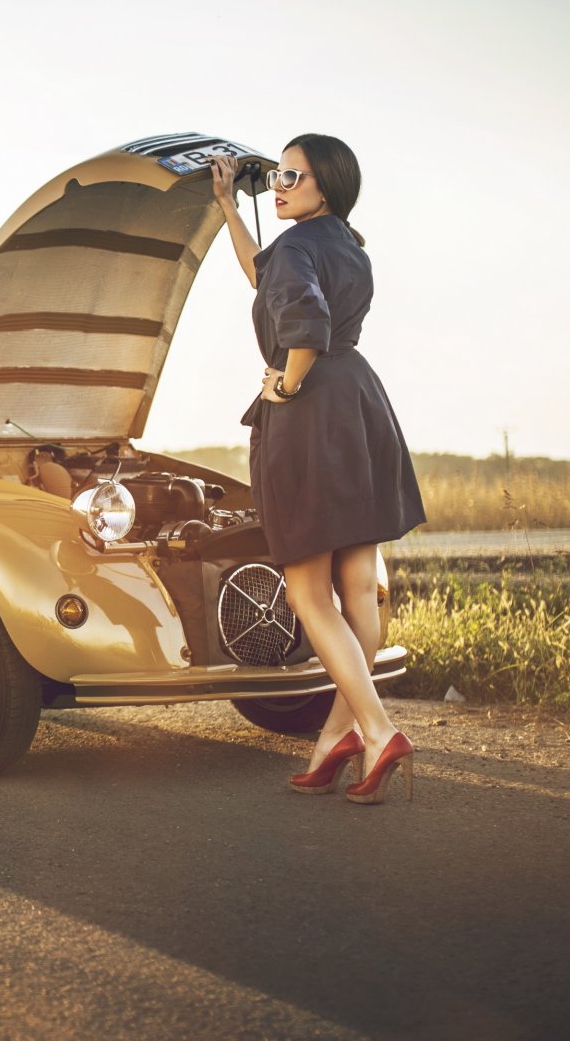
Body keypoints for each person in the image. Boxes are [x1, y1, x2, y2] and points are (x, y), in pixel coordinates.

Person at [209, 135, 427, 805]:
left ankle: (380, 728)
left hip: (310, 415)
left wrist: (285, 385)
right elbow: (263, 274)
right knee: (358, 589)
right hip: (359, 406)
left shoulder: (300, 249)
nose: (276, 184)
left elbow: (302, 320)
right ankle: (340, 737)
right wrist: (228, 204)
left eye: (289, 175)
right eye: (273, 175)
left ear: (323, 184)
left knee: (308, 594)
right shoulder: (345, 246)